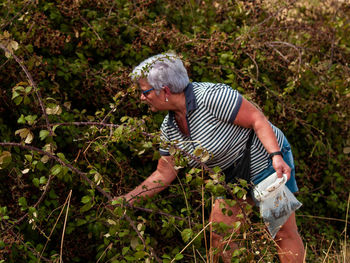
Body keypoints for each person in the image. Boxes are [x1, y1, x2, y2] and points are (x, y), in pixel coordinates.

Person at [116, 52, 305, 262]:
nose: (142, 97)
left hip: (265, 159)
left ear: (165, 91)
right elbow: (164, 173)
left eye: (145, 92)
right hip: (231, 177)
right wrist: (126, 201)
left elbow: (257, 119)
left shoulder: (210, 97)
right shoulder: (169, 129)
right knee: (220, 236)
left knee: (282, 232)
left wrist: (276, 156)